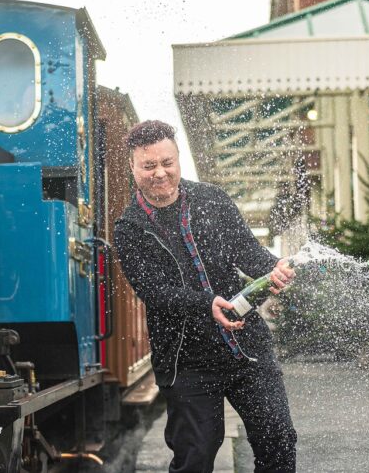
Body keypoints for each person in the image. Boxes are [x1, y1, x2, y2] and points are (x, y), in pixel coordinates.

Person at [114, 120, 297, 473]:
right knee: (195, 457)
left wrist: (274, 267)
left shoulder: (212, 200)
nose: (160, 173)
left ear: (178, 158)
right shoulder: (129, 228)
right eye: (149, 165)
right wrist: (206, 304)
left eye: (167, 162)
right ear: (132, 166)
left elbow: (247, 253)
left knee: (278, 441)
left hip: (246, 348)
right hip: (186, 361)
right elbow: (154, 293)